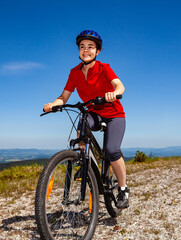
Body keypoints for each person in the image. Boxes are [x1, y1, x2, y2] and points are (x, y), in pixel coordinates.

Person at [43, 30, 129, 209]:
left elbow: (120, 85)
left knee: (112, 150)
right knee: (82, 124)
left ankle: (123, 188)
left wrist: (114, 93)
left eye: (91, 47)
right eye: (82, 47)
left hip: (114, 114)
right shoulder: (74, 72)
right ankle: (84, 164)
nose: (86, 50)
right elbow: (64, 96)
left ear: (97, 51)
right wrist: (53, 104)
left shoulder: (104, 68)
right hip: (94, 113)